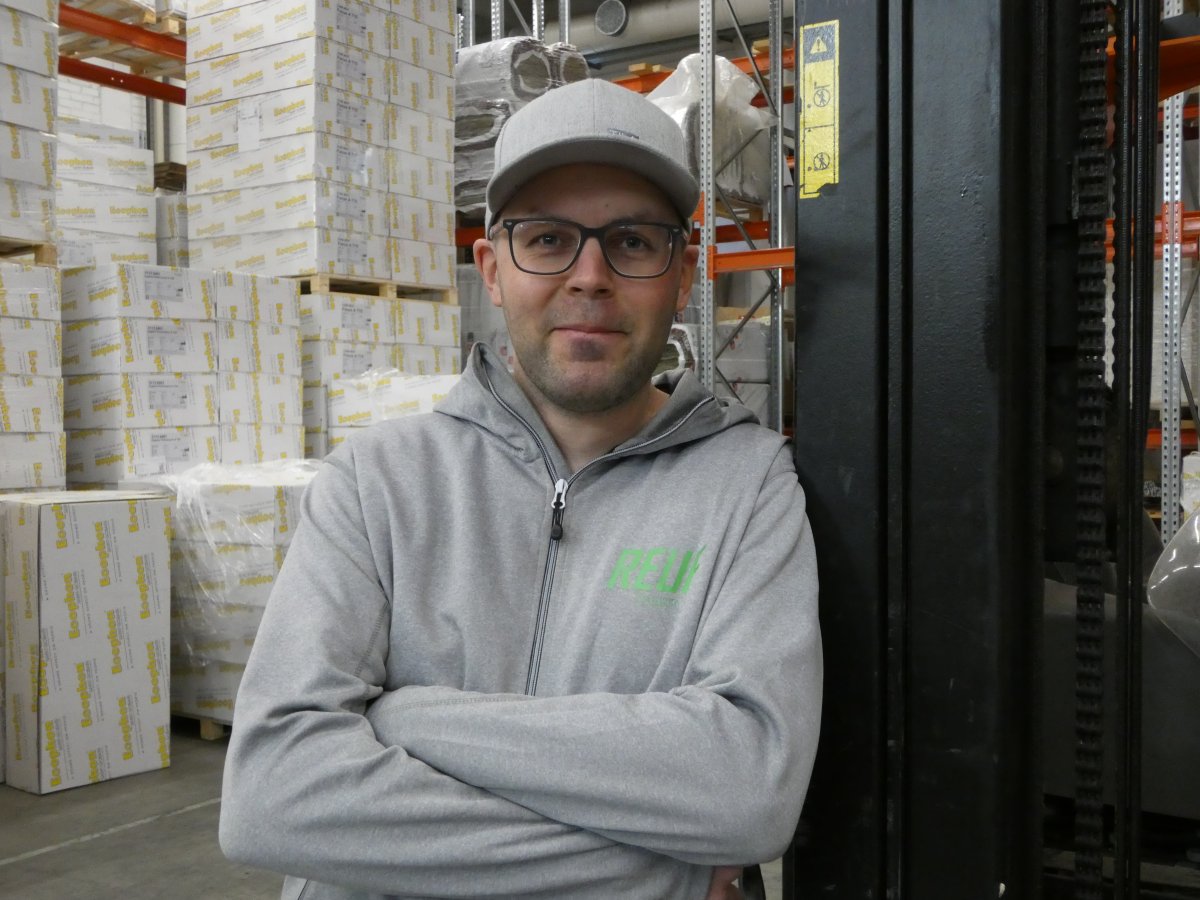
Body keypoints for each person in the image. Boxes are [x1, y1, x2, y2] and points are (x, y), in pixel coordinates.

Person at [219, 77, 822, 900]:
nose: (590, 276)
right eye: (547, 239)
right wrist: (661, 873)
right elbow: (272, 795)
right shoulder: (375, 482)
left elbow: (747, 787)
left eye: (633, 241)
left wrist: (408, 715)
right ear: (492, 269)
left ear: (683, 275)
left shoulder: (748, 488)